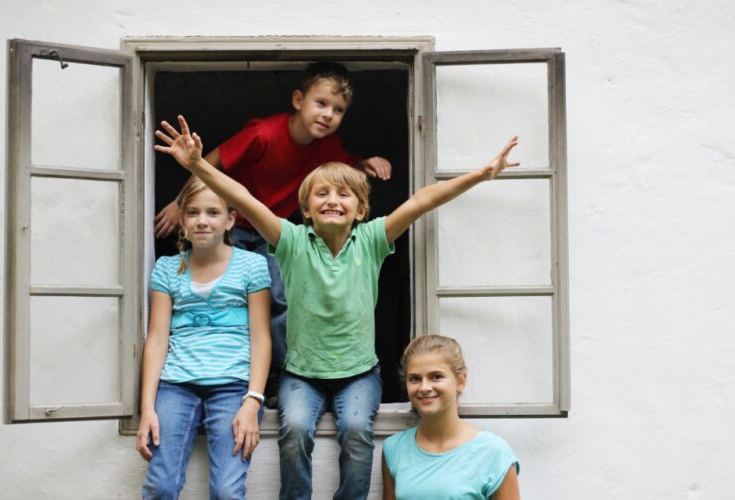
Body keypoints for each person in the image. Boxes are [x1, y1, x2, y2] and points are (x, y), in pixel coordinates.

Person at [154, 114, 519, 500]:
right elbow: (243, 199)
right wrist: (197, 165)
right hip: (302, 373)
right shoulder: (291, 241)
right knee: (294, 431)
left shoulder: (372, 239)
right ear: (306, 209)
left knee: (357, 432)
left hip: (358, 373)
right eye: (322, 194)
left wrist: (480, 175)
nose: (332, 200)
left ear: (360, 210)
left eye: (344, 194)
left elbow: (421, 201)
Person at [153, 62, 391, 402]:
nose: (328, 115)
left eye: (338, 110)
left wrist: (363, 165)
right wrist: (180, 203)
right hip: (233, 226)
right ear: (298, 100)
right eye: (321, 103)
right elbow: (213, 160)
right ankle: (231, 377)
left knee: (281, 298)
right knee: (233, 297)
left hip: (274, 233)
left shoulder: (329, 146)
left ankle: (279, 378)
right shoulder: (264, 133)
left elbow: (344, 170)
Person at [136, 175, 272, 499]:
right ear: (182, 219)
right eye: (193, 212)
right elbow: (157, 339)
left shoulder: (252, 266)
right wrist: (147, 408)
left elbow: (261, 339)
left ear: (230, 220)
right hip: (176, 385)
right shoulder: (167, 268)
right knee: (160, 485)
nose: (202, 221)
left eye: (212, 212)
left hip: (233, 386)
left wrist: (253, 401)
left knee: (226, 491)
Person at [382, 335, 521, 500]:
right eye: (415, 379)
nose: (424, 387)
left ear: (460, 381)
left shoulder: (494, 453)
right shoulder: (394, 448)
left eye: (436, 376)